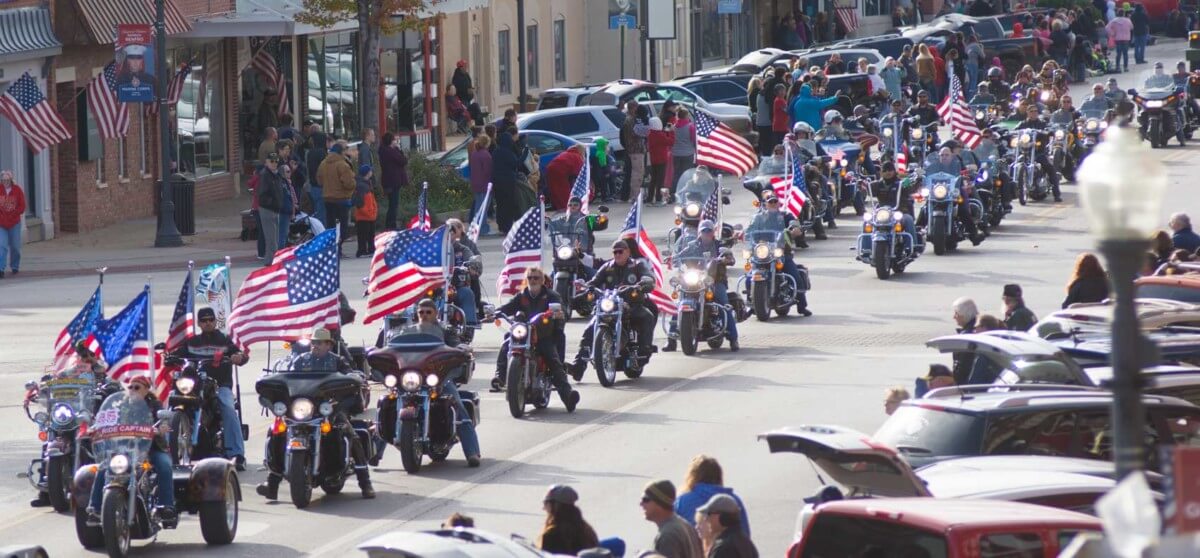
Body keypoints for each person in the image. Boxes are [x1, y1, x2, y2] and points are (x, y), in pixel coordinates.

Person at [258, 327, 375, 498]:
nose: (315, 346)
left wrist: (354, 377)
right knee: (276, 432)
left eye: (320, 343)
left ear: (329, 344)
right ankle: (272, 482)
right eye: (313, 343)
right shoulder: (300, 360)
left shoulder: (337, 361)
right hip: (302, 408)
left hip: (327, 407)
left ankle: (365, 483)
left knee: (349, 432)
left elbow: (349, 375)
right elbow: (287, 378)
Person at [85, 375, 175, 526]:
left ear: (146, 390)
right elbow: (107, 419)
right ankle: (95, 508)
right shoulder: (120, 405)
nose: (133, 390)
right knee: (103, 468)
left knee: (164, 465)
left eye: (137, 387)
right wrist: (93, 428)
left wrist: (162, 428)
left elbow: (163, 421)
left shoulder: (154, 405)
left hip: (150, 448)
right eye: (131, 387)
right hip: (123, 447)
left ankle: (166, 507)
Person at [169, 307, 250, 468]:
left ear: (215, 321)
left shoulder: (225, 340)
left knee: (227, 407)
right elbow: (177, 354)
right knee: (171, 399)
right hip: (194, 384)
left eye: (211, 320)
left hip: (219, 385)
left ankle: (237, 453)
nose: (208, 323)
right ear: (198, 323)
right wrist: (169, 357)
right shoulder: (192, 342)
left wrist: (238, 357)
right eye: (204, 320)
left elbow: (242, 355)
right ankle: (167, 448)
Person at [490, 267, 580, 411]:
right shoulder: (522, 296)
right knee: (506, 343)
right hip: (523, 334)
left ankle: (568, 397)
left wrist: (557, 319)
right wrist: (495, 313)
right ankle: (499, 378)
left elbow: (560, 314)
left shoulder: (552, 296)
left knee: (554, 361)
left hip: (543, 336)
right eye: (530, 278)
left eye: (536, 278)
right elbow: (508, 307)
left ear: (542, 280)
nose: (533, 280)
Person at [569, 240, 659, 379]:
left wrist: (644, 283)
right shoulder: (607, 267)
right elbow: (594, 282)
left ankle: (643, 351)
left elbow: (649, 277)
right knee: (590, 328)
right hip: (610, 304)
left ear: (627, 252)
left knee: (647, 316)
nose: (617, 254)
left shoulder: (637, 265)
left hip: (632, 304)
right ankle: (578, 366)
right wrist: (587, 287)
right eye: (615, 252)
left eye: (620, 251)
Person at [668, 221, 740, 352]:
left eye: (709, 231)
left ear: (713, 233)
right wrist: (672, 258)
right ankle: (671, 340)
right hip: (694, 280)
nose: (706, 234)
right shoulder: (692, 245)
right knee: (679, 304)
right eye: (704, 231)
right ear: (699, 233)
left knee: (724, 305)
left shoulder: (719, 245)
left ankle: (733, 339)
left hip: (714, 280)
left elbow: (730, 257)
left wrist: (726, 259)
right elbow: (679, 256)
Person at [745, 195, 812, 316]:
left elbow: (794, 224)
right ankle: (753, 302)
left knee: (794, 275)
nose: (773, 204)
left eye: (775, 201)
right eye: (770, 202)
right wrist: (741, 234)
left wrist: (795, 229)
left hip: (781, 252)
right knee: (749, 277)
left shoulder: (786, 216)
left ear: (779, 204)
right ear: (765, 204)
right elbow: (750, 229)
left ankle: (802, 306)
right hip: (762, 253)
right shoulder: (758, 218)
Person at [676, 455, 752, 535]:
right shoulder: (733, 501)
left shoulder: (682, 502)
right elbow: (745, 533)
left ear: (692, 477)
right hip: (732, 546)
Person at [642, 480, 704, 558]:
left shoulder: (668, 535)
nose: (641, 503)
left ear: (660, 502)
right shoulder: (684, 524)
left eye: (645, 499)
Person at [1015, 105, 1063, 202]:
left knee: (1049, 167)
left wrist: (1049, 131)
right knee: (1010, 162)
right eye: (1031, 111)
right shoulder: (1023, 124)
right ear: (1027, 113)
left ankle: (1056, 194)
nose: (1034, 113)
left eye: (1036, 111)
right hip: (1025, 151)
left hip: (1039, 152)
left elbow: (1050, 129)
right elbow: (1015, 130)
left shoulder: (1042, 123)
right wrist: (1009, 132)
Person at [538, 485, 600, 555]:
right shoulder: (586, 529)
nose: (543, 508)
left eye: (546, 503)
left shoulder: (550, 535)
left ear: (556, 505)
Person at [318, 141, 357, 253]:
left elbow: (319, 180)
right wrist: (353, 183)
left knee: (331, 226)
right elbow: (349, 183)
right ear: (341, 152)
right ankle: (338, 248)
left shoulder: (323, 164)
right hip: (342, 199)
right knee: (342, 226)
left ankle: (332, 249)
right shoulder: (342, 164)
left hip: (327, 199)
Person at [256, 152, 286, 265]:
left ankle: (273, 261)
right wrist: (273, 203)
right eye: (272, 161)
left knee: (275, 239)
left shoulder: (276, 175)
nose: (274, 163)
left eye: (276, 161)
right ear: (267, 162)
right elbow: (262, 195)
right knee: (271, 240)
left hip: (275, 209)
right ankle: (270, 263)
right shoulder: (265, 175)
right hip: (268, 210)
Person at [546, 144, 587, 211]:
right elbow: (580, 172)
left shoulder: (567, 153)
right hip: (559, 171)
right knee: (563, 190)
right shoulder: (576, 156)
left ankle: (558, 206)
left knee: (554, 190)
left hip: (551, 169)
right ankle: (566, 207)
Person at [0, 170, 24, 278]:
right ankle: (1, 268)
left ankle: (15, 265)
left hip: (14, 222)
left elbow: (22, 206)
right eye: (3, 180)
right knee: (2, 246)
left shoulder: (17, 190)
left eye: (7, 180)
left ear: (11, 180)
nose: (5, 182)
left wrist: (13, 215)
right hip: (1, 223)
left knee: (15, 247)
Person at [468, 135, 493, 236]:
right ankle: (483, 228)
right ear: (487, 143)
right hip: (484, 184)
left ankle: (476, 226)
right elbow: (488, 171)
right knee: (483, 207)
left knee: (478, 206)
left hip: (475, 183)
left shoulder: (475, 153)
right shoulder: (486, 155)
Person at [648, 117, 676, 206]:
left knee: (653, 180)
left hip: (654, 159)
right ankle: (658, 199)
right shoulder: (660, 135)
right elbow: (671, 142)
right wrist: (671, 132)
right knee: (660, 180)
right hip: (662, 159)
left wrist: (666, 132)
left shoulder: (650, 134)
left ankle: (650, 197)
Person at [304, 132, 330, 224]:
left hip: (313, 185)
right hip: (321, 186)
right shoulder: (322, 153)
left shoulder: (310, 152)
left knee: (317, 211)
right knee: (322, 213)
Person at [354, 165, 378, 257]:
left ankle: (370, 249)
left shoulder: (366, 183)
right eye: (370, 171)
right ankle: (362, 250)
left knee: (369, 233)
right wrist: (369, 212)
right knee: (363, 234)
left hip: (369, 214)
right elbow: (360, 203)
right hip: (364, 215)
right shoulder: (362, 185)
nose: (372, 172)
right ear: (367, 173)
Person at [672, 108, 698, 192]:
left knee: (676, 173)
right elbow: (694, 140)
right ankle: (686, 190)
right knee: (687, 173)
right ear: (686, 116)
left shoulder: (673, 126)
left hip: (676, 153)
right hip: (688, 153)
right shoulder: (690, 126)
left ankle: (675, 190)